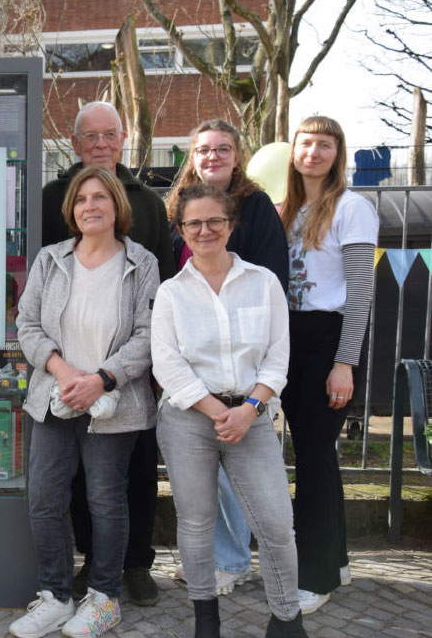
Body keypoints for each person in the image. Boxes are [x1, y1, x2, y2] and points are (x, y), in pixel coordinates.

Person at [151, 184, 307, 638]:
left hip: (252, 418)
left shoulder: (264, 283)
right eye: (193, 223)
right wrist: (217, 409)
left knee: (277, 524)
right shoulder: (171, 293)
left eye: (215, 221)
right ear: (181, 230)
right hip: (187, 419)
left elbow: (279, 356)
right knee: (197, 523)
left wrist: (251, 407)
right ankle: (206, 618)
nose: (205, 230)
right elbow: (167, 363)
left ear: (231, 225)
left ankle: (286, 619)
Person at [12, 167, 159, 638]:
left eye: (100, 197)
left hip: (112, 403)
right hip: (55, 398)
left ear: (117, 205)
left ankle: (103, 597)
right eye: (81, 199)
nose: (89, 206)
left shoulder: (141, 263)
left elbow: (148, 333)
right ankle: (55, 596)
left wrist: (102, 379)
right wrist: (63, 371)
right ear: (71, 210)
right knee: (45, 500)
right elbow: (27, 324)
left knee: (105, 500)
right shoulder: (51, 259)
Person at [41, 100, 174, 605]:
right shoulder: (54, 196)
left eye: (109, 135)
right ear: (75, 144)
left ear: (123, 140)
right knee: (79, 477)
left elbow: (162, 288)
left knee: (137, 470)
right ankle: (92, 563)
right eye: (89, 136)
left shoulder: (150, 203)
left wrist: (148, 361)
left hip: (130, 368)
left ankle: (136, 563)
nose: (100, 144)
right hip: (70, 369)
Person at [167, 119, 289, 596]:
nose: (212, 157)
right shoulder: (178, 205)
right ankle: (218, 558)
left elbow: (270, 281)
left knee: (233, 468)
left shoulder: (255, 208)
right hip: (189, 363)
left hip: (238, 370)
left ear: (238, 156)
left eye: (222, 149)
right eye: (203, 150)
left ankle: (233, 560)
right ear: (192, 157)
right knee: (202, 479)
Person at [279, 116, 378, 615]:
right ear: (293, 150)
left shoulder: (353, 207)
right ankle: (334, 562)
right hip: (291, 338)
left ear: (338, 153)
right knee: (316, 456)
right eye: (305, 142)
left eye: (324, 144)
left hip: (328, 340)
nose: (313, 152)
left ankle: (313, 577)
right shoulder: (292, 211)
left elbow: (361, 290)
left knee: (314, 457)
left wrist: (345, 361)